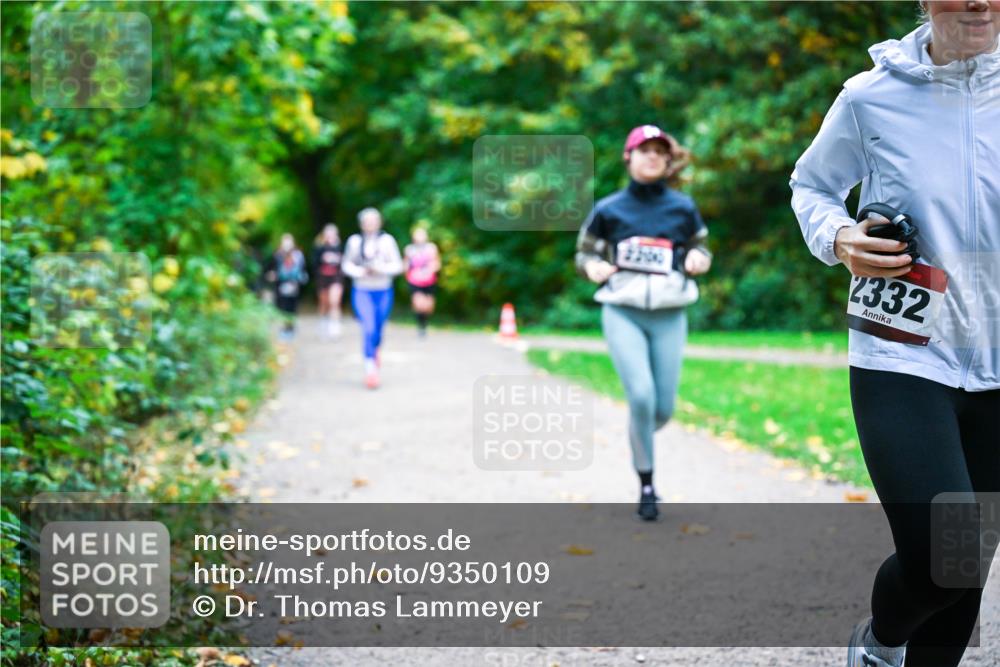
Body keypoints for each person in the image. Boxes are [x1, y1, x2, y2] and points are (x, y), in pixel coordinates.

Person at [789, 2, 999, 666]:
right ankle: (879, 643)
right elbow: (812, 185)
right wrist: (839, 236)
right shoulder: (871, 97)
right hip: (902, 351)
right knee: (939, 557)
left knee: (964, 560)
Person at [575, 124, 710, 522]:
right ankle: (647, 485)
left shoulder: (683, 208)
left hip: (670, 315)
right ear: (628, 157)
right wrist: (595, 266)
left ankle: (639, 435)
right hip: (623, 312)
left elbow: (700, 247)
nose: (652, 156)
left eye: (659, 151)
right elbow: (583, 255)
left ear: (668, 161)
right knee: (640, 396)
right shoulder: (608, 209)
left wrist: (698, 259)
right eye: (644, 149)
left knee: (662, 408)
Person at [342, 207, 403, 389]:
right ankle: (370, 370)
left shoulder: (387, 241)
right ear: (361, 224)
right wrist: (361, 272)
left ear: (379, 222)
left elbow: (398, 265)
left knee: (378, 328)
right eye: (366, 221)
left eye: (373, 220)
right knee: (368, 327)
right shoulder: (354, 242)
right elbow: (346, 264)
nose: (370, 224)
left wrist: (380, 269)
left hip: (383, 290)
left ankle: (374, 351)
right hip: (362, 290)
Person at [267, 233, 308, 341]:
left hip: (294, 284)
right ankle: (286, 327)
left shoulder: (298, 255)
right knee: (283, 306)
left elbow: (302, 269)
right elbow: (270, 269)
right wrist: (272, 275)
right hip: (280, 285)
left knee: (292, 307)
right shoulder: (277, 255)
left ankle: (290, 327)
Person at [403, 223, 441, 337]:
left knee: (428, 307)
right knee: (419, 304)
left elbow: (437, 263)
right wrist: (408, 274)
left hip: (429, 281)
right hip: (415, 281)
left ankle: (424, 323)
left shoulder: (431, 248)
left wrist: (430, 270)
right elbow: (405, 264)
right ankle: (421, 327)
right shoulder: (409, 249)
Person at [313, 223, 345, 339]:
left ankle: (334, 326)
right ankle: (323, 323)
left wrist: (337, 259)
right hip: (323, 278)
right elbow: (314, 263)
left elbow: (345, 262)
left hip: (336, 277)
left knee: (334, 301)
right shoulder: (319, 247)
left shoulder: (341, 247)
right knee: (324, 303)